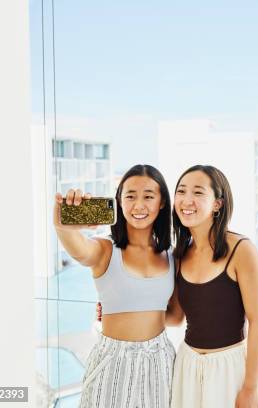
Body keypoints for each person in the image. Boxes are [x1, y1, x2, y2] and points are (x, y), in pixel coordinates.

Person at [54, 164, 180, 408]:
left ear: (162, 202)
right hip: (112, 360)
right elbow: (79, 249)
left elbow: (174, 317)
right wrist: (62, 226)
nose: (138, 205)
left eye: (148, 196)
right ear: (119, 201)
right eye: (130, 196)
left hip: (161, 360)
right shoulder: (105, 249)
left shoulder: (172, 256)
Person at [168, 164, 258, 408]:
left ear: (217, 204)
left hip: (230, 369)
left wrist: (250, 388)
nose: (187, 200)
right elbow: (174, 317)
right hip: (187, 366)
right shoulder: (179, 255)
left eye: (198, 192)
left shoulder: (241, 250)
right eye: (181, 191)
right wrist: (121, 312)